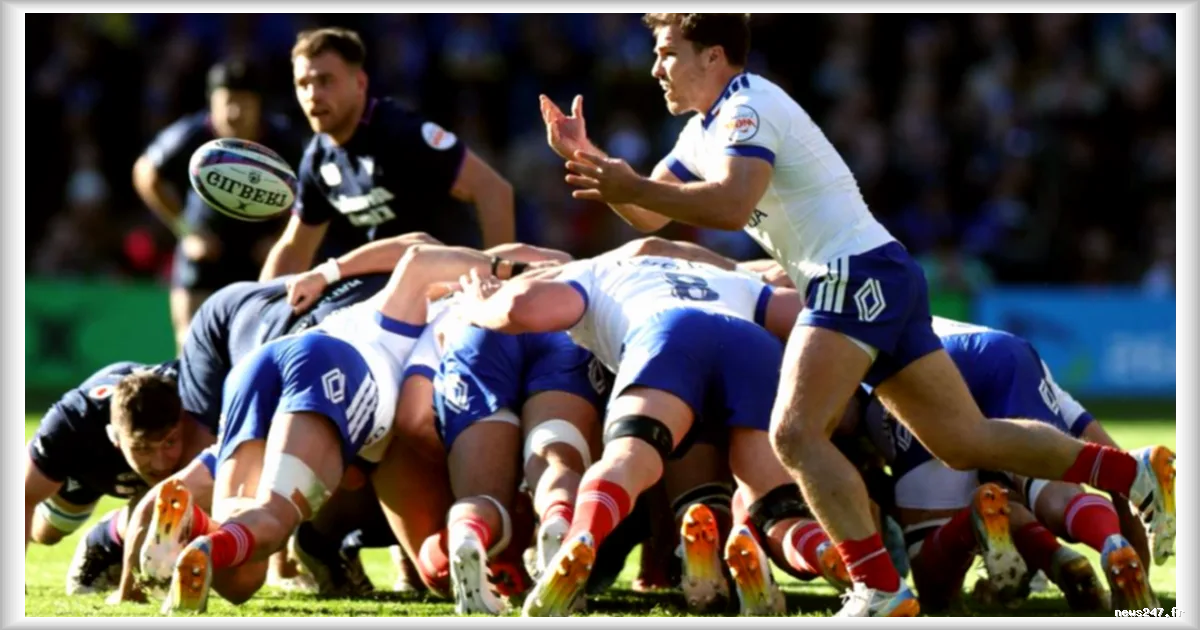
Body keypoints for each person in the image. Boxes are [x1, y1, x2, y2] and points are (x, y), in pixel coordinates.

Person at [540, 12, 1175, 616]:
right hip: (878, 271)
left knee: (795, 434)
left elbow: (731, 204)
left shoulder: (746, 106)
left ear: (713, 56)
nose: (656, 68)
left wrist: (629, 184)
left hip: (852, 275)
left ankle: (877, 586)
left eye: (667, 53)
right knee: (964, 440)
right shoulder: (701, 130)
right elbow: (650, 212)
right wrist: (590, 161)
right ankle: (1134, 471)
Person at [139, 244, 546, 613]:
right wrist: (518, 270)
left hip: (261, 363)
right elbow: (420, 255)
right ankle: (208, 540)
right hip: (329, 369)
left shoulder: (390, 301)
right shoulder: (456, 314)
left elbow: (417, 250)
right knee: (276, 517)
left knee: (242, 580)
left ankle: (194, 528)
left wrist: (329, 271)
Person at [259, 27, 515, 281]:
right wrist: (259, 302)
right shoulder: (317, 158)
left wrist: (496, 278)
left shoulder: (402, 133)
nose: (312, 95)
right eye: (303, 84)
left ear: (360, 83)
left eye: (325, 81)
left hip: (453, 283)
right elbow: (294, 249)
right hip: (392, 288)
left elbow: (493, 190)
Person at [133, 59, 305, 350]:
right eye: (227, 102)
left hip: (261, 255)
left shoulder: (284, 139)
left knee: (263, 346)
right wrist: (187, 231)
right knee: (190, 344)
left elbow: (313, 189)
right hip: (206, 254)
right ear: (211, 102)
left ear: (259, 104)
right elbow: (145, 172)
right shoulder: (192, 135)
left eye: (244, 103)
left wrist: (283, 238)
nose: (234, 113)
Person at [23, 361, 215, 594]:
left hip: (172, 463)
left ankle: (109, 536)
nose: (160, 462)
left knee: (191, 499)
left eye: (169, 442)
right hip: (90, 465)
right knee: (47, 533)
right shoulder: (72, 425)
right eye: (143, 448)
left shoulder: (197, 402)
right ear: (114, 436)